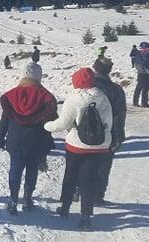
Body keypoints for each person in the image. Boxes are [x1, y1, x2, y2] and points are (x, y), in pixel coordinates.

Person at [44, 67, 113, 231]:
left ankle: (65, 208)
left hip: (77, 146)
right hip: (100, 146)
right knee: (88, 180)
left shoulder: (74, 99)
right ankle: (86, 217)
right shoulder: (103, 97)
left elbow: (62, 124)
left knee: (70, 177)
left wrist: (47, 126)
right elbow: (109, 123)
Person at [0, 62, 57, 214]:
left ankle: (13, 200)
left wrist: (0, 138)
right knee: (32, 170)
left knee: (15, 169)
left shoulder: (11, 96)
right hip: (36, 140)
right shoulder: (46, 97)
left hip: (15, 140)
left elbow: (5, 120)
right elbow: (51, 122)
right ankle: (28, 199)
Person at [92, 57, 126, 206]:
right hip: (109, 134)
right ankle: (98, 195)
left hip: (86, 133)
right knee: (104, 165)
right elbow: (120, 113)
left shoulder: (88, 87)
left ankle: (79, 189)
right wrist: (119, 134)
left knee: (83, 162)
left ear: (95, 68)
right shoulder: (117, 90)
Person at [133, 42, 149, 107]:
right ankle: (135, 102)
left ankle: (144, 103)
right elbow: (141, 63)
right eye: (146, 49)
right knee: (139, 87)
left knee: (146, 88)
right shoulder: (139, 54)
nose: (147, 50)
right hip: (142, 73)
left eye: (148, 49)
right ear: (142, 48)